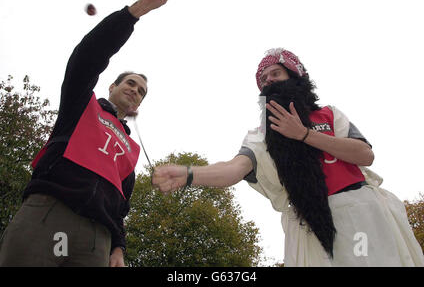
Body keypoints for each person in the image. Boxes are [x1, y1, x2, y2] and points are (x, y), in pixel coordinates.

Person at [152, 48, 424, 266]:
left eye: (275, 73)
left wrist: (305, 135)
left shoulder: (329, 114)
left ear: (296, 77)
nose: (268, 80)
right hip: (309, 230)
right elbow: (233, 169)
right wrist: (189, 174)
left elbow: (365, 155)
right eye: (263, 79)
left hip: (360, 214)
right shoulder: (260, 136)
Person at [0, 0, 172, 267]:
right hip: (49, 213)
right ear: (112, 86)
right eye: (130, 83)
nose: (135, 90)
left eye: (141, 91)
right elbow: (87, 57)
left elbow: (121, 205)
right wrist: (137, 11)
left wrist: (118, 248)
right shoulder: (81, 104)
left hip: (96, 240)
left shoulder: (130, 149)